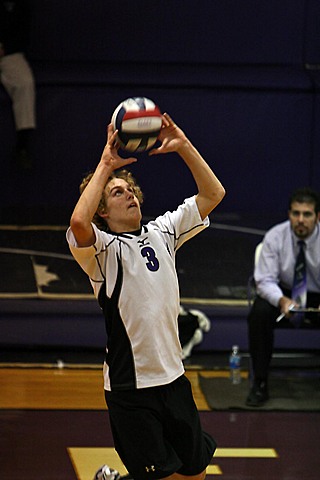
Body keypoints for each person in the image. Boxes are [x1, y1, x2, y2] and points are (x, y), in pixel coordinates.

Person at [67, 112, 225, 480]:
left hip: (173, 379)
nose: (130, 195)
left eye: (131, 189)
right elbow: (78, 223)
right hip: (131, 389)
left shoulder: (163, 231)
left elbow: (213, 194)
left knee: (195, 474)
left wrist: (183, 145)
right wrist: (106, 165)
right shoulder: (102, 251)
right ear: (103, 211)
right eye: (117, 192)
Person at [246, 187, 320, 407]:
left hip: (317, 295)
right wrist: (282, 301)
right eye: (296, 213)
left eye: (307, 214)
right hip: (284, 293)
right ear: (289, 214)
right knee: (259, 313)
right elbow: (264, 281)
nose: (300, 220)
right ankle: (260, 383)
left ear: (317, 216)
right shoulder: (275, 237)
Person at [0, 0, 36, 169]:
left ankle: (22, 147)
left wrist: (5, 47)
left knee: (25, 83)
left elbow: (23, 34)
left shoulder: (21, 6)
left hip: (9, 54)